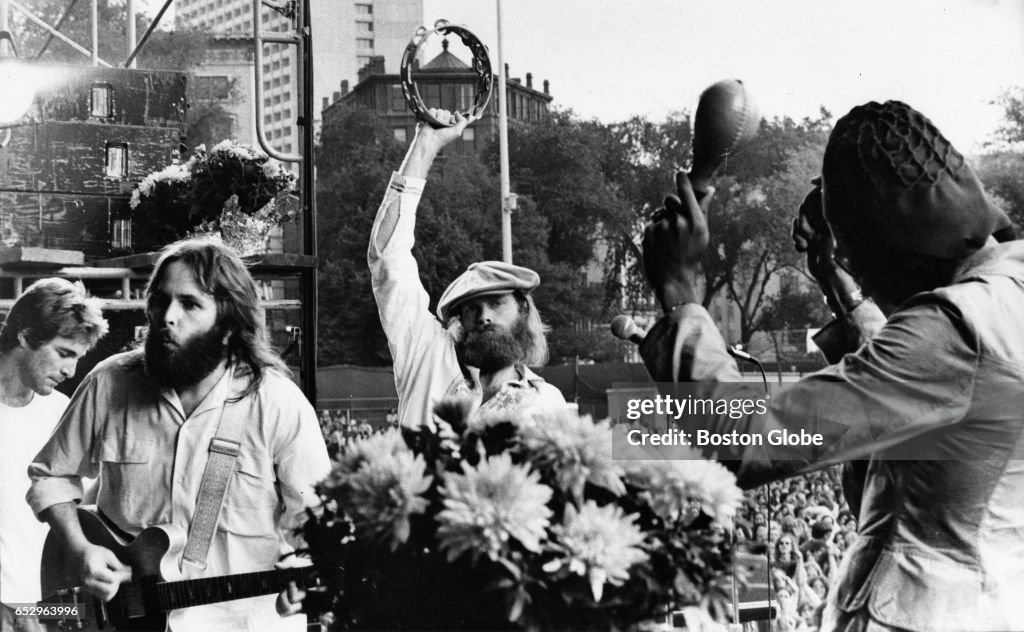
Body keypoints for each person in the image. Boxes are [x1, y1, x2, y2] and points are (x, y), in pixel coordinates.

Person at [639, 100, 1024, 631]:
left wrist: (680, 292)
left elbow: (739, 437)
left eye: (859, 260)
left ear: (896, 249)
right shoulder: (1003, 302)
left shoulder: (955, 328)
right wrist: (837, 284)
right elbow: (910, 389)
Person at [27, 239, 331, 631]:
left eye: (189, 304)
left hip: (243, 623)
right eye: (160, 300)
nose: (167, 316)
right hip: (113, 618)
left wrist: (308, 576)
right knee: (25, 616)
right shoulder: (110, 381)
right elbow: (50, 474)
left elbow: (322, 529)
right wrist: (79, 545)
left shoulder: (277, 404)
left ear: (228, 323)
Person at [368, 108, 565, 428]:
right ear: (460, 319)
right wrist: (425, 143)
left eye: (497, 303)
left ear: (523, 310)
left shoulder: (547, 402)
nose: (484, 315)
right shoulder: (427, 354)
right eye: (472, 309)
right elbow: (388, 257)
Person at [0, 279, 108, 632]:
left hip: (50, 612)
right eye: (64, 353)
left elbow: (80, 515)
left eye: (78, 358)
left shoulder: (63, 413)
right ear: (26, 335)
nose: (71, 371)